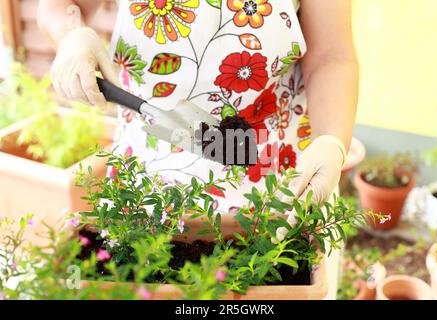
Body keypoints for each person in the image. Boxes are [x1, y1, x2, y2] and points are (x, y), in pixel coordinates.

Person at [38, 0, 358, 298]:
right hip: (147, 182)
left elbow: (332, 54)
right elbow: (58, 6)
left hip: (274, 179)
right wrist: (71, 34)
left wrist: (331, 141)